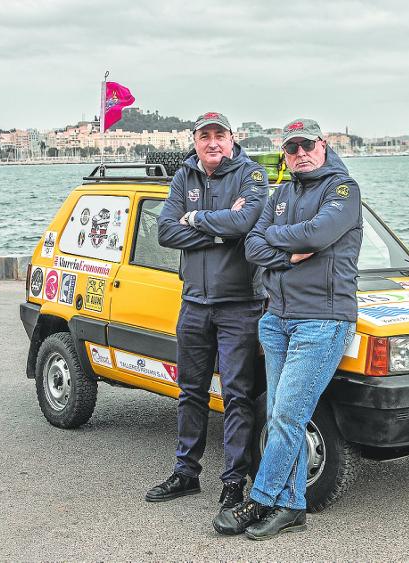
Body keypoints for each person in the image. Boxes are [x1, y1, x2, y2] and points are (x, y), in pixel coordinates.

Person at [213, 118, 362, 540]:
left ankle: (259, 499)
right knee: (284, 416)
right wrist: (288, 251)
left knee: (286, 416)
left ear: (323, 144)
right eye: (291, 148)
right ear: (285, 152)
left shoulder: (343, 191)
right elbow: (252, 246)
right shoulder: (281, 193)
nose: (299, 153)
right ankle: (292, 505)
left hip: (322, 320)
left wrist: (278, 236)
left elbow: (321, 231)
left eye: (306, 145)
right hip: (277, 318)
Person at [148, 112, 268, 512]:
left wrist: (197, 220)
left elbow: (247, 221)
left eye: (220, 135)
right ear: (195, 141)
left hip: (239, 306)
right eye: (205, 136)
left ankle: (234, 481)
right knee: (190, 392)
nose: (213, 142)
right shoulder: (184, 177)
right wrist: (223, 229)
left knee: (237, 396)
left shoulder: (252, 175)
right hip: (194, 303)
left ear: (233, 139)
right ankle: (186, 472)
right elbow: (165, 232)